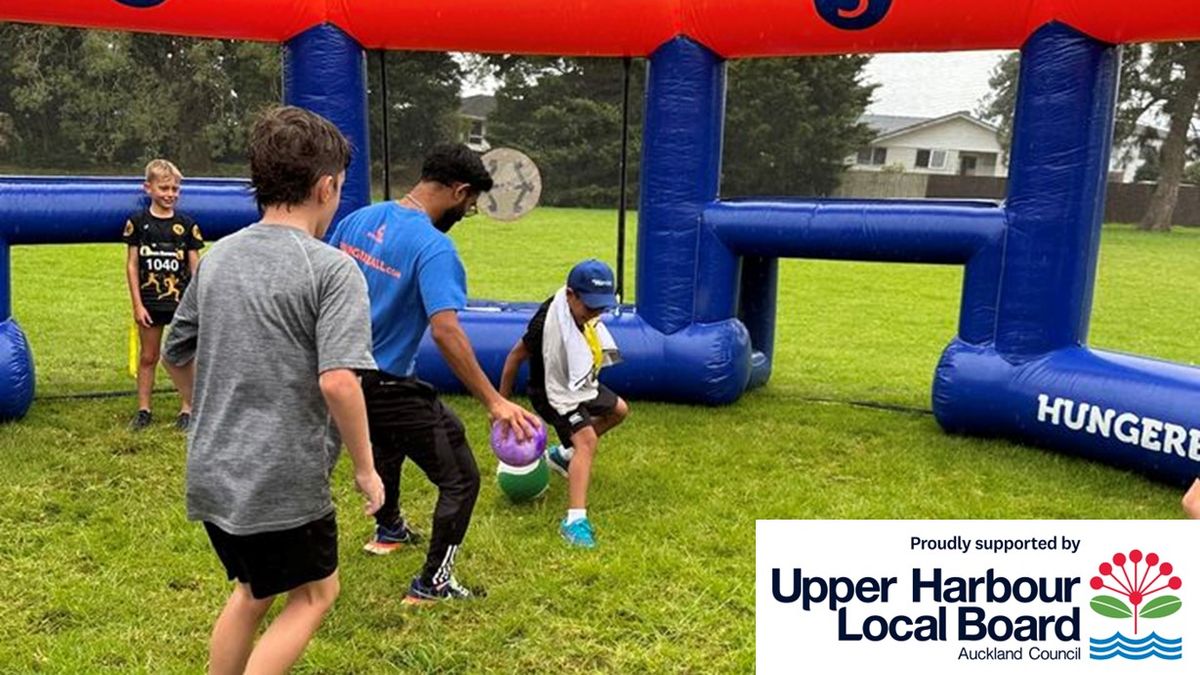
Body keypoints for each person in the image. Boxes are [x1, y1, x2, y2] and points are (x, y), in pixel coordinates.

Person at [163, 106, 384, 675]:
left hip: (213, 469)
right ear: (326, 186)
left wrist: (201, 406)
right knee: (314, 594)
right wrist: (365, 468)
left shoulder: (217, 259)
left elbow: (174, 352)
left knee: (252, 590)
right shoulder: (333, 270)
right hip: (279, 479)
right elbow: (338, 381)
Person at [329, 143, 540, 603]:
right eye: (469, 204)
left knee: (386, 440)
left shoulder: (358, 219)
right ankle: (433, 584)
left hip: (338, 377)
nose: (466, 213)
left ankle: (388, 531)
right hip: (382, 382)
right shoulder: (434, 246)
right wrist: (494, 400)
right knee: (461, 477)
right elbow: (447, 332)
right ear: (459, 190)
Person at [499, 259, 629, 549]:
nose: (595, 314)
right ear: (570, 295)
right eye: (590, 307)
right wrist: (500, 404)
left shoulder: (583, 313)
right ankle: (574, 521)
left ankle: (561, 457)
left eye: (601, 307)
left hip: (578, 384)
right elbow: (514, 357)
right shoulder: (545, 323)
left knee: (619, 410)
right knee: (587, 440)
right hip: (551, 391)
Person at [122, 159, 203, 431]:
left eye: (175, 189)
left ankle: (187, 408)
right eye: (164, 188)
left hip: (182, 304)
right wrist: (137, 304)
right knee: (149, 356)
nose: (170, 194)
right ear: (148, 188)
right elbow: (132, 266)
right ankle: (144, 409)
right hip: (150, 302)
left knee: (185, 356)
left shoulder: (187, 225)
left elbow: (196, 267)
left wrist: (198, 303)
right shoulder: (138, 223)